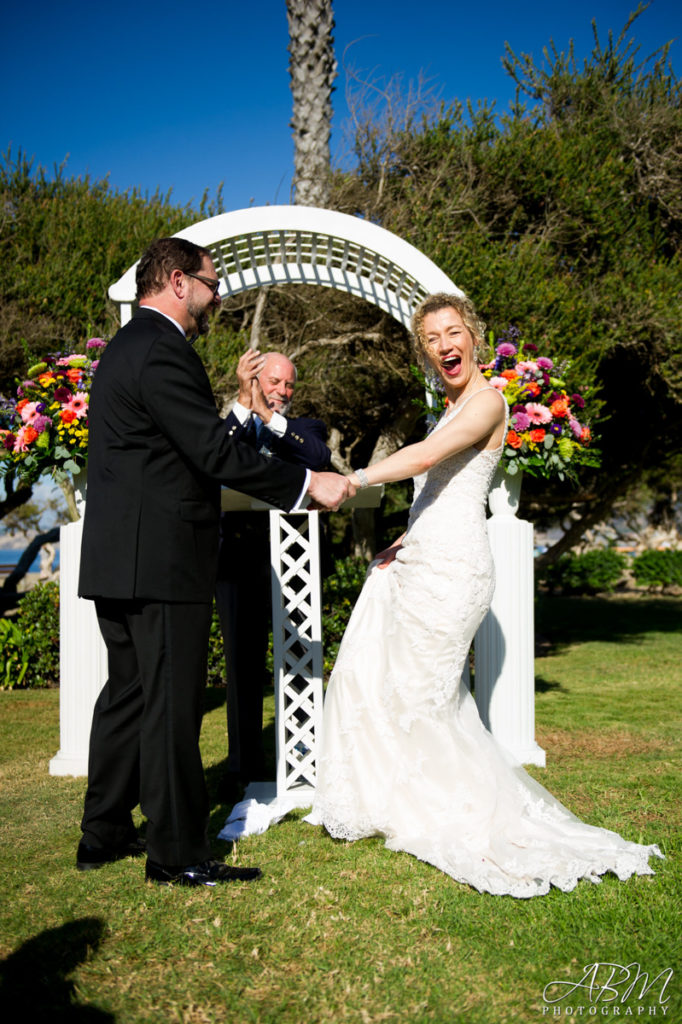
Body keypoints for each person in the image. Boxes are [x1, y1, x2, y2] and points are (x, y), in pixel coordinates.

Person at [308, 292, 662, 898]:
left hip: (456, 571)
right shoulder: (447, 407)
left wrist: (354, 479)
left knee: (427, 696)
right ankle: (389, 797)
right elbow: (439, 488)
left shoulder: (489, 401)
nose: (443, 345)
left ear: (473, 335)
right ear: (425, 352)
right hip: (421, 557)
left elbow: (426, 457)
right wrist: (405, 537)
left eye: (453, 332)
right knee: (389, 682)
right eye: (431, 339)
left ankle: (456, 811)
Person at [77, 237, 352, 888]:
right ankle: (176, 853)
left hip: (119, 557)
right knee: (171, 703)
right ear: (178, 281)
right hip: (162, 557)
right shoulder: (164, 349)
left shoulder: (124, 348)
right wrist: (307, 483)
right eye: (212, 283)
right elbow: (212, 451)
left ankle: (104, 833)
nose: (217, 296)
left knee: (127, 695)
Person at [216, 349, 331, 796]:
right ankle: (242, 767)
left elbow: (318, 457)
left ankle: (302, 755)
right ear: (255, 381)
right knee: (241, 663)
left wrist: (271, 417)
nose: (282, 390)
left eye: (289, 384)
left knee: (300, 657)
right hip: (238, 560)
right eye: (273, 382)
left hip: (295, 561)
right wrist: (246, 409)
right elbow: (214, 457)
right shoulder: (232, 428)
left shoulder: (306, 429)